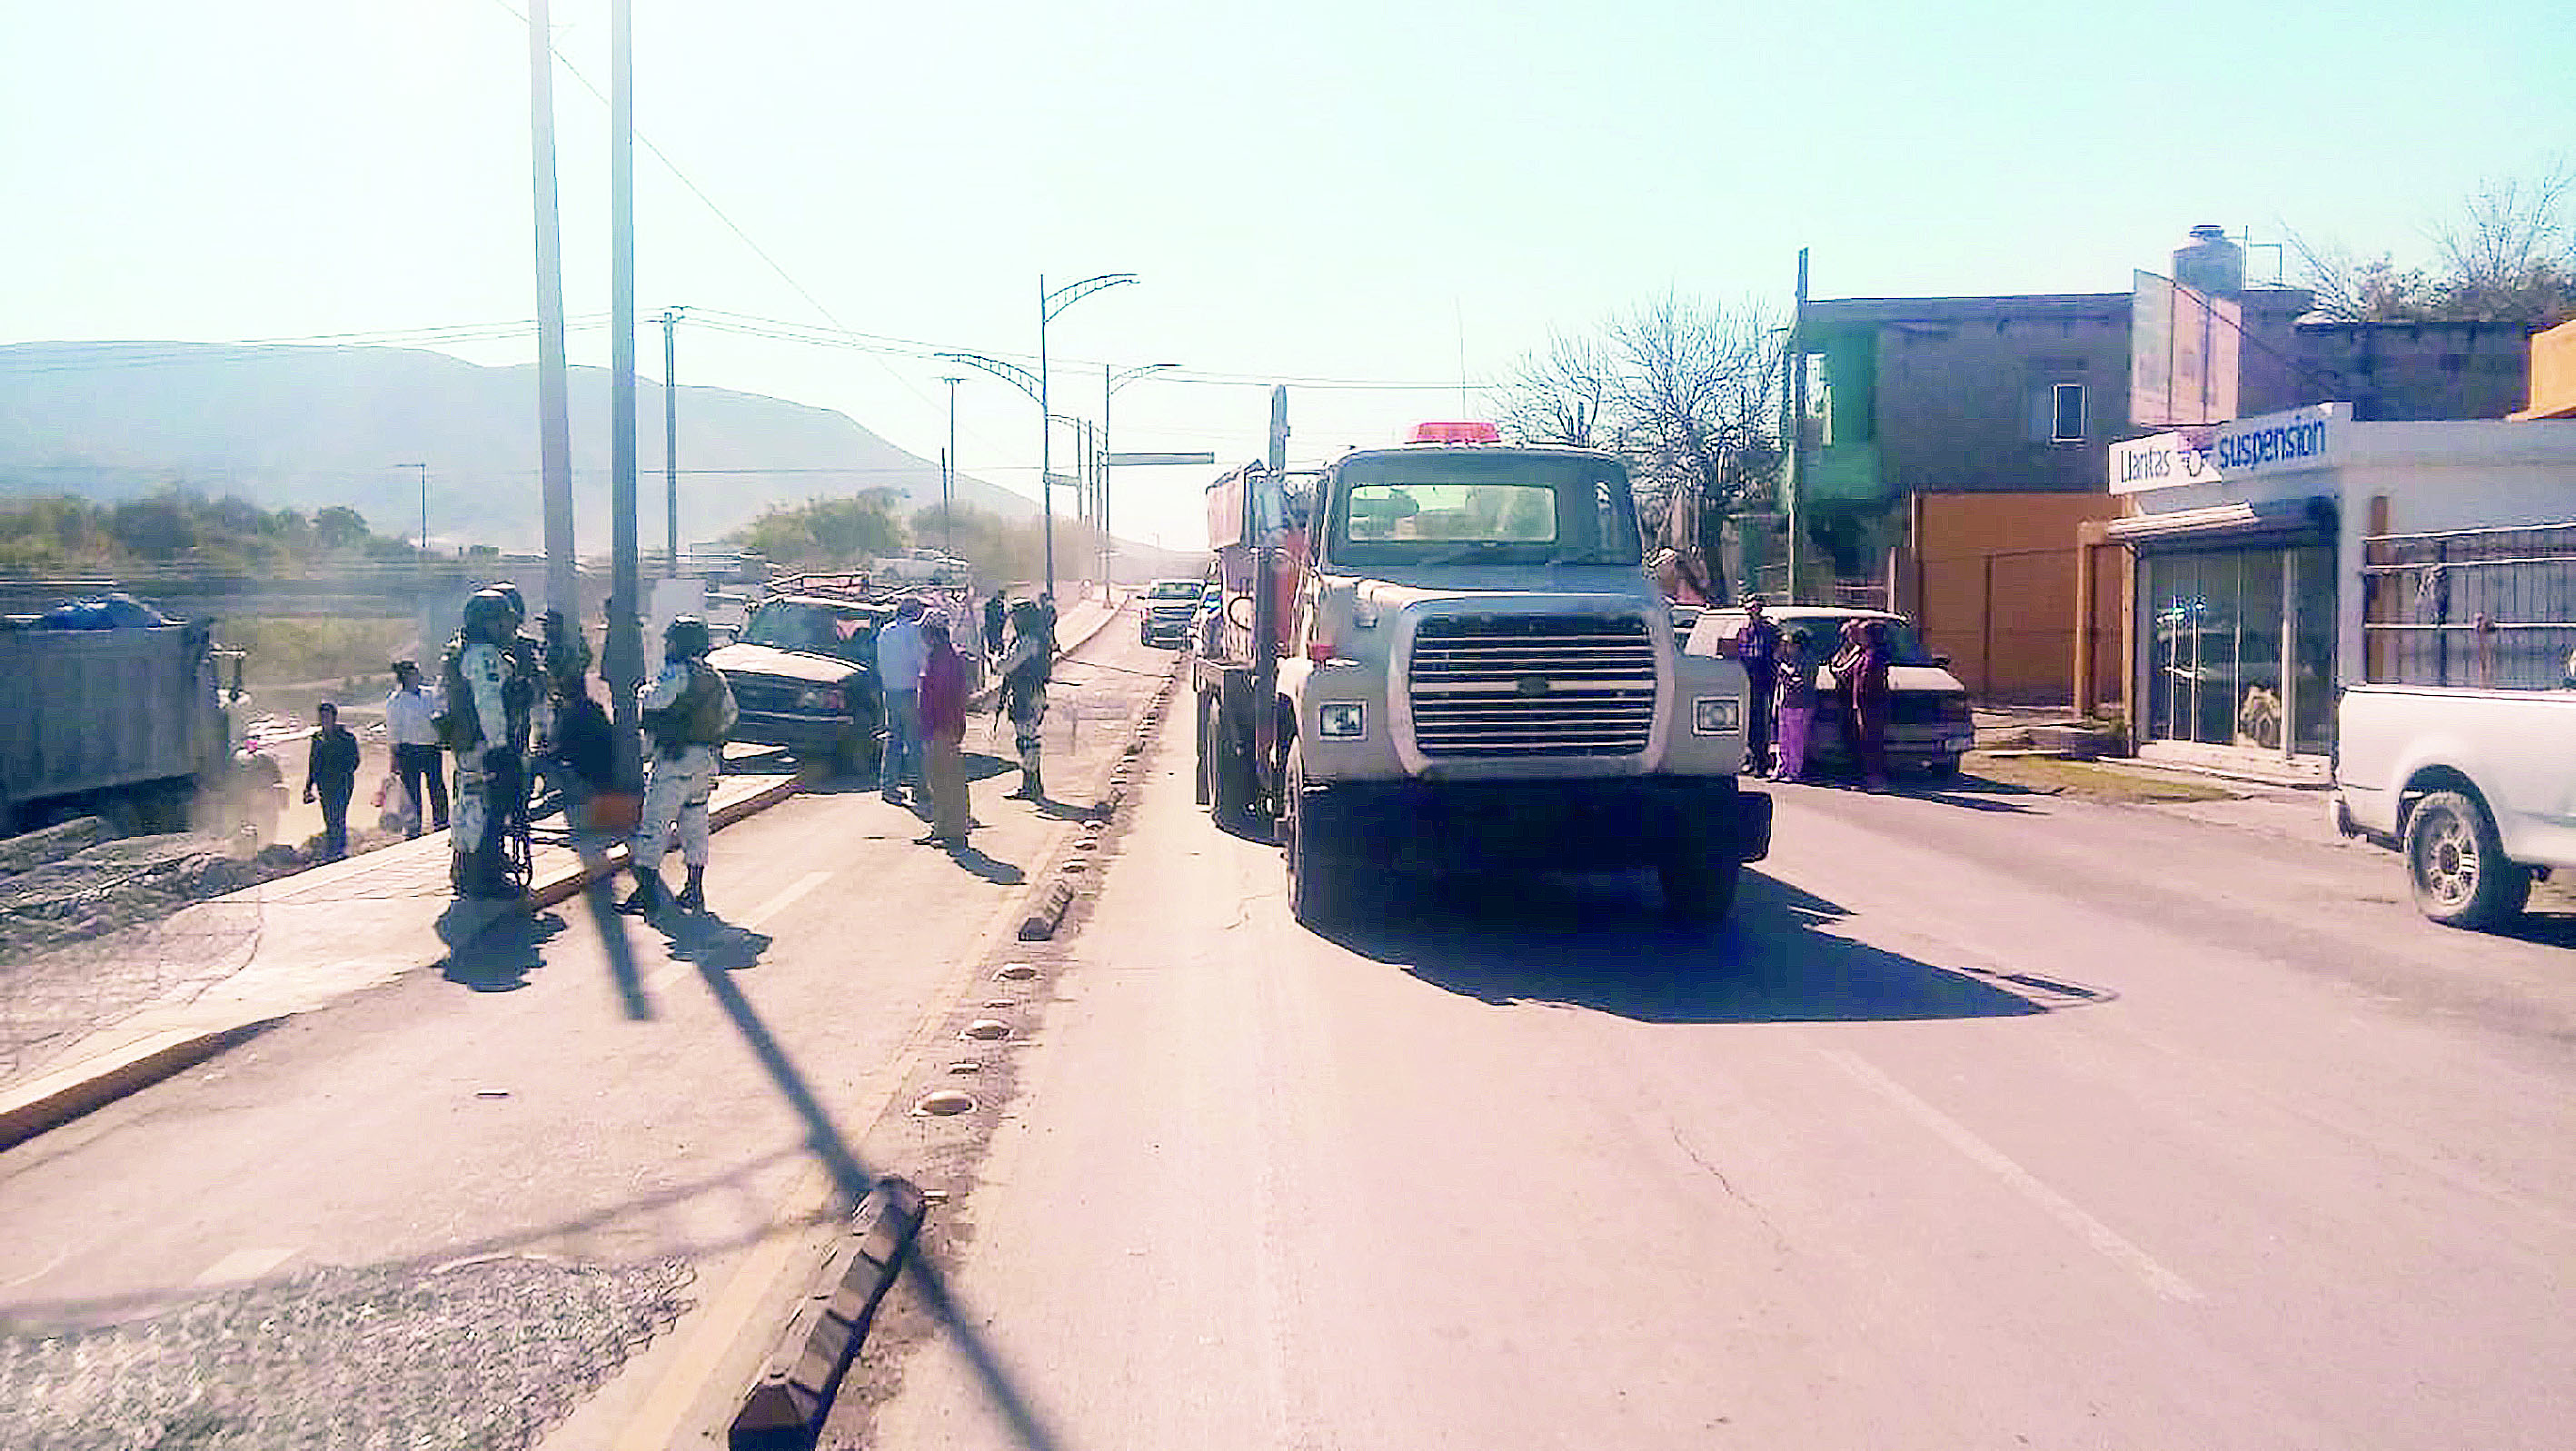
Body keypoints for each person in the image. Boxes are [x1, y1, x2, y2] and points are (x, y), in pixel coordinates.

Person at [618, 615, 736, 916]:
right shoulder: (714, 676)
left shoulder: (676, 674)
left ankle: (646, 892)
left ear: (681, 643)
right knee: (695, 826)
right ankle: (694, 889)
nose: (667, 645)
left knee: (654, 826)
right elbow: (730, 715)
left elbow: (654, 701)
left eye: (670, 640)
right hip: (704, 761)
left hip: (674, 761)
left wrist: (642, 691)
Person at [442, 588, 532, 898]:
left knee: (472, 806)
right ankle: (484, 877)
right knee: (486, 809)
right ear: (488, 623)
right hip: (485, 747)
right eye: (504, 621)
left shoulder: (466, 651)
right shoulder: (483, 656)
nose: (510, 627)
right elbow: (488, 703)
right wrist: (500, 748)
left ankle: (471, 870)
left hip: (473, 745)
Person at [914, 616, 972, 849]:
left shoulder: (943, 660)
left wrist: (933, 726)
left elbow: (941, 699)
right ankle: (942, 828)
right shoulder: (942, 657)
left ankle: (954, 831)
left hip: (941, 728)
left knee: (947, 781)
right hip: (940, 727)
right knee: (938, 782)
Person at [997, 599, 1052, 800]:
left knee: (1027, 741)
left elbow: (1007, 665)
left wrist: (997, 661)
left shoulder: (1027, 641)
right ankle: (1032, 785)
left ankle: (1031, 786)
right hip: (1032, 692)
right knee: (1028, 740)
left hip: (1026, 694)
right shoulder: (1037, 636)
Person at [384, 659, 448, 836]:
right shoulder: (396, 701)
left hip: (431, 748)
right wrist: (394, 758)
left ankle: (442, 823)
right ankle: (413, 828)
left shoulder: (429, 695)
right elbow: (393, 731)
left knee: (437, 788)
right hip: (409, 750)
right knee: (412, 792)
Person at [874, 597, 928, 804]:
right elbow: (922, 661)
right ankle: (919, 787)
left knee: (893, 739)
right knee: (915, 742)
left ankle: (889, 786)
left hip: (889, 689)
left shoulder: (885, 631)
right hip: (911, 690)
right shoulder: (914, 632)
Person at [1732, 595, 1783, 775]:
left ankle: (1762, 761)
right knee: (1748, 722)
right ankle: (1750, 759)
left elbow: (1778, 654)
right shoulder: (1744, 631)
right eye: (1750, 608)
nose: (1754, 611)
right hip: (1746, 681)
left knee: (1762, 722)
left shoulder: (1771, 631)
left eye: (1757, 607)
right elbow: (1737, 651)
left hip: (1764, 681)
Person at [303, 701, 360, 860]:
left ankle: (339, 848)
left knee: (339, 814)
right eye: (322, 716)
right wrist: (308, 787)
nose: (324, 719)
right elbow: (313, 763)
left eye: (327, 715)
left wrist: (344, 774)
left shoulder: (346, 737)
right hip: (324, 784)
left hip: (343, 782)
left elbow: (355, 760)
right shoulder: (317, 738)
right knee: (328, 815)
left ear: (334, 717)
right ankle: (333, 848)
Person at [1848, 619, 1895, 791]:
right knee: (1866, 742)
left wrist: (1863, 699)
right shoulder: (1865, 654)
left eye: (1863, 634)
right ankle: (1869, 778)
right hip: (1863, 705)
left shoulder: (1875, 656)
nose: (1859, 637)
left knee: (1873, 743)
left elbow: (1870, 682)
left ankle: (1877, 780)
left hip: (1872, 705)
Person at [1772, 627, 1818, 783]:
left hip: (1801, 704)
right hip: (1786, 703)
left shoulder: (1808, 660)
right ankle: (1781, 767)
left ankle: (1794, 770)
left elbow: (1802, 681)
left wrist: (1787, 673)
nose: (1787, 648)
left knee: (1796, 739)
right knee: (1783, 738)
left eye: (1790, 644)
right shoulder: (1788, 660)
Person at [982, 592, 1008, 665]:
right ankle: (998, 602)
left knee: (993, 619)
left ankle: (995, 603)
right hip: (997, 632)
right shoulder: (1000, 655)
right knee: (996, 618)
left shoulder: (991, 653)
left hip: (993, 632)